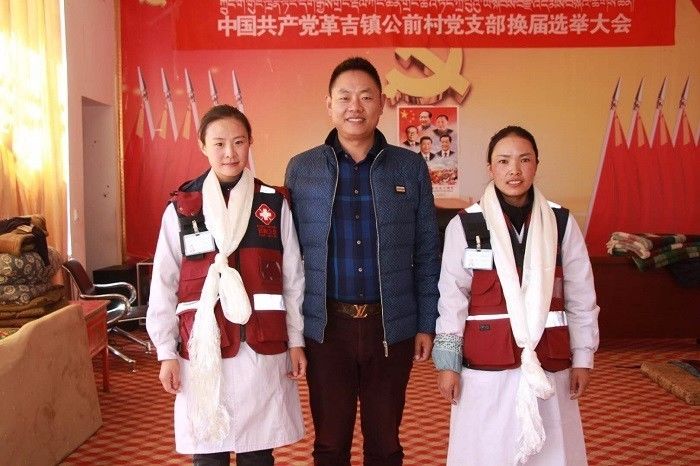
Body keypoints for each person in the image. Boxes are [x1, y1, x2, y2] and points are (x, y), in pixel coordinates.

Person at [285, 57, 440, 466]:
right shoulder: (302, 169)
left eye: (366, 97)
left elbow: (427, 250)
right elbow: (289, 258)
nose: (355, 106)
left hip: (389, 327)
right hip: (326, 328)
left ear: (382, 103)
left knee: (385, 445)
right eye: (344, 97)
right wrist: (293, 331)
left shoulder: (410, 167)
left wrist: (426, 322)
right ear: (329, 105)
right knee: (329, 445)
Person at [146, 104, 306, 466]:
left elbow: (293, 280)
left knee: (257, 453)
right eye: (219, 143)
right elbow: (164, 283)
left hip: (260, 346)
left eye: (238, 142)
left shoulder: (273, 204)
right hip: (203, 348)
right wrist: (166, 353)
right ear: (203, 145)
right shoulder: (183, 209)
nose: (229, 153)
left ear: (250, 142)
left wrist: (296, 341)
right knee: (209, 454)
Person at [432, 125, 600, 466]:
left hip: (547, 360)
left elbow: (581, 296)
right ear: (490, 167)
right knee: (486, 451)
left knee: (552, 452)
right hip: (486, 365)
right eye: (504, 161)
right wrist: (448, 365)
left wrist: (583, 358)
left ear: (536, 164)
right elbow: (452, 297)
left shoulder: (560, 222)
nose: (514, 170)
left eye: (524, 160)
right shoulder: (466, 224)